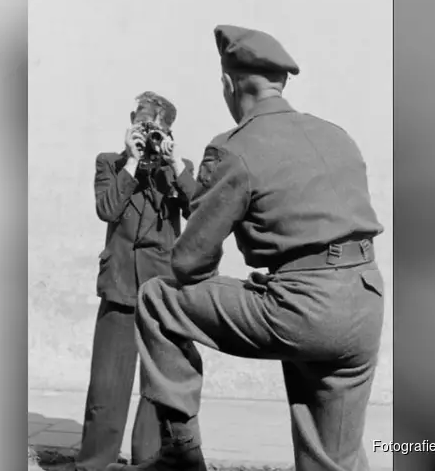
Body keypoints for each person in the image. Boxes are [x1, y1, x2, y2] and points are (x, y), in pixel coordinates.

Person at [107, 25, 385, 471]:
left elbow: (189, 262)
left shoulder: (233, 149)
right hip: (364, 302)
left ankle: (179, 451)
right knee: (333, 459)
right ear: (281, 83)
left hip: (302, 307)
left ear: (229, 84)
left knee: (159, 298)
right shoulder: (337, 135)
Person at [73, 91, 197, 470]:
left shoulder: (177, 170)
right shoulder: (109, 164)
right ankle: (95, 463)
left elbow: (200, 210)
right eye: (142, 124)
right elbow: (107, 209)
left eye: (156, 128)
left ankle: (150, 460)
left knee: (158, 386)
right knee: (107, 385)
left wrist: (175, 166)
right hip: (120, 283)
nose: (148, 134)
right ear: (131, 120)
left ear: (169, 131)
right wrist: (129, 160)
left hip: (162, 290)